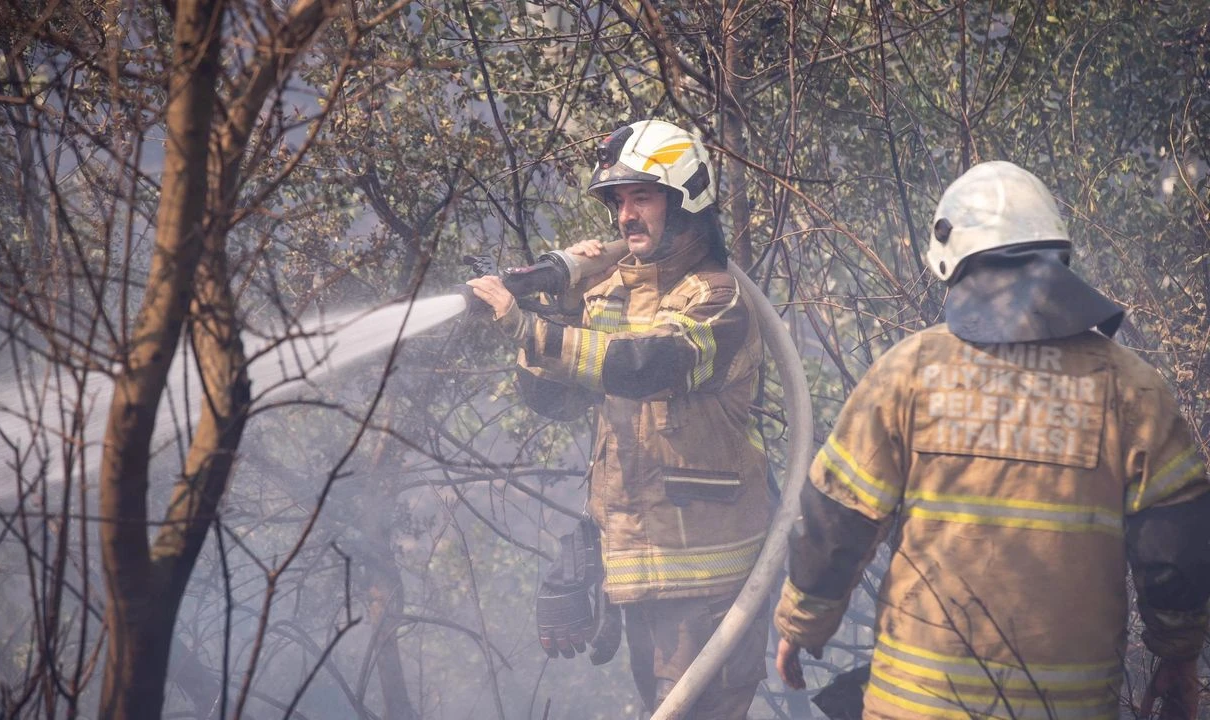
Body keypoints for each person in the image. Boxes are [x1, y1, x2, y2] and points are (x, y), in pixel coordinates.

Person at [773, 160, 1210, 719]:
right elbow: (1174, 549)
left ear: (952, 263)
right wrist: (1178, 657)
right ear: (1059, 261)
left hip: (917, 706)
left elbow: (838, 519)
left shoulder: (907, 373)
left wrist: (802, 623)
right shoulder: (1132, 388)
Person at [467, 119, 773, 718]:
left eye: (642, 197)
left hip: (707, 586)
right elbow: (555, 400)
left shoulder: (717, 298)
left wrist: (526, 326)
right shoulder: (616, 295)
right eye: (619, 202)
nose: (626, 216)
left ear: (684, 200)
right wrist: (558, 304)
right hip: (641, 572)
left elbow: (643, 365)